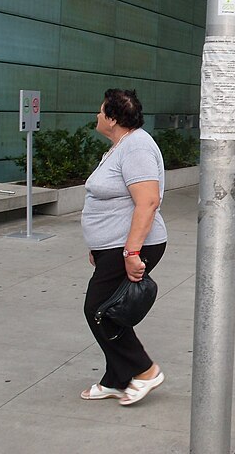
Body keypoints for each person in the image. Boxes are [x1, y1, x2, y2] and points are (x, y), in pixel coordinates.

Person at [80, 88, 167, 406]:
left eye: (101, 112)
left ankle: (144, 370)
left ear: (113, 119)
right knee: (105, 309)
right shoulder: (124, 145)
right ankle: (117, 379)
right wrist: (97, 244)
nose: (97, 116)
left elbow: (148, 202)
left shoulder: (137, 148)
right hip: (113, 246)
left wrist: (131, 253)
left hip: (132, 245)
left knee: (99, 310)